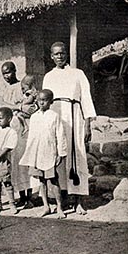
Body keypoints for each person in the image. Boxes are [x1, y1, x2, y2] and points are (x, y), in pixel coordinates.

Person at [43, 42, 96, 214]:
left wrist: (88, 124)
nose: (59, 56)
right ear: (51, 56)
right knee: (60, 156)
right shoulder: (48, 77)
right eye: (56, 54)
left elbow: (86, 99)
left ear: (67, 54)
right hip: (56, 118)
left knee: (77, 155)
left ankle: (79, 200)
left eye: (62, 53)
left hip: (75, 117)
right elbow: (45, 103)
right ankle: (62, 199)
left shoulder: (78, 74)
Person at [20, 89, 67, 218]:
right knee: (41, 181)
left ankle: (59, 207)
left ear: (50, 102)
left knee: (53, 181)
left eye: (45, 100)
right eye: (39, 100)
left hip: (50, 153)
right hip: (38, 153)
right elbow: (31, 137)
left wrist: (60, 153)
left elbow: (60, 135)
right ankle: (46, 206)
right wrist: (30, 155)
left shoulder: (54, 116)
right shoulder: (34, 117)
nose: (41, 103)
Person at [0, 62, 35, 208]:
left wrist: (20, 108)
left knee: (25, 160)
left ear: (15, 71)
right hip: (11, 125)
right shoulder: (3, 88)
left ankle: (29, 197)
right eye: (4, 74)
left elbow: (30, 105)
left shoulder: (23, 85)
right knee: (15, 163)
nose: (7, 76)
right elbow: (2, 105)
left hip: (24, 126)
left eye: (9, 72)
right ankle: (21, 196)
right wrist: (18, 107)